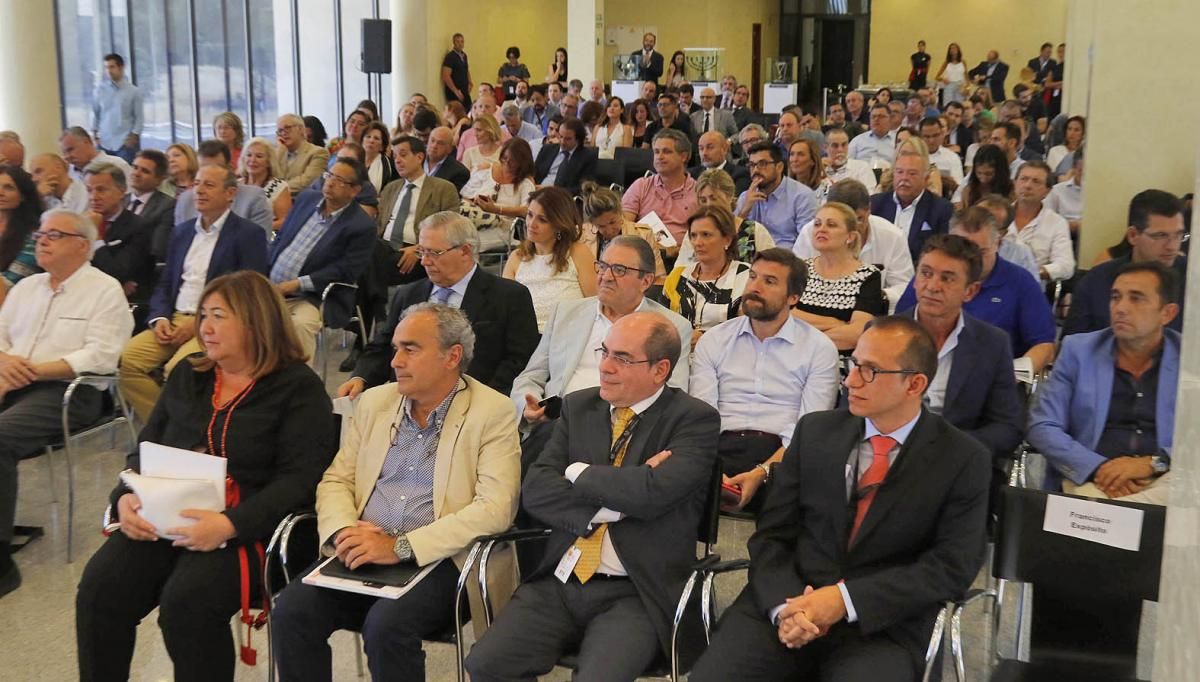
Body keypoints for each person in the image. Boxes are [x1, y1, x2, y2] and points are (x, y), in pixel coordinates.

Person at [688, 316, 990, 682]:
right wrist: (788, 606)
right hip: (788, 604)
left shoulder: (962, 458)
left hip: (880, 626)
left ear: (915, 384)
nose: (850, 381)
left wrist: (843, 601)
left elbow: (950, 567)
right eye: (853, 365)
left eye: (870, 371)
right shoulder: (816, 432)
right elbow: (772, 536)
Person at [77, 271, 336, 681]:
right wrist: (124, 497)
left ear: (256, 321)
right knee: (100, 589)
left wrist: (229, 525)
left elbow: (301, 480)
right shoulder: (190, 376)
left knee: (187, 605)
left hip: (251, 526)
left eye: (219, 316)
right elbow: (146, 449)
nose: (205, 328)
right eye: (203, 315)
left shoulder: (297, 389)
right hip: (170, 515)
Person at [465, 312, 720, 681]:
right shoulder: (579, 407)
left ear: (660, 370)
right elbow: (536, 489)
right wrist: (617, 501)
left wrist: (576, 472)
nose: (605, 367)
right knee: (486, 664)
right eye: (605, 352)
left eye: (622, 358)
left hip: (638, 592)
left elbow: (652, 494)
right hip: (561, 580)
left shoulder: (693, 420)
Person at [273, 302, 520, 681]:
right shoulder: (376, 402)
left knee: (387, 626)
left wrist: (400, 546)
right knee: (291, 611)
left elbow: (494, 509)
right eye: (395, 349)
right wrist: (344, 532)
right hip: (365, 546)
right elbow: (337, 480)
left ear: (452, 356)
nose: (395, 361)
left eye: (410, 349)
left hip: (441, 559)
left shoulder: (492, 412)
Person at [0, 209, 129, 597]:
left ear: (82, 245)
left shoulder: (104, 290)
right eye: (40, 233)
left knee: (0, 438)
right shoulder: (27, 287)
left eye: (54, 234)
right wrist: (6, 363)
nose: (41, 240)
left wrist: (35, 370)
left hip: (70, 391)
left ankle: (1, 559)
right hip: (12, 380)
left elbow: (102, 356)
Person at [510, 236, 692, 463]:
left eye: (619, 269)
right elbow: (531, 376)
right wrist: (530, 405)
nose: (606, 276)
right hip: (558, 424)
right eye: (603, 266)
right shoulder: (566, 313)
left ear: (646, 281)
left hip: (625, 431)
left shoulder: (670, 327)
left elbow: (672, 392)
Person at [690, 248, 838, 512]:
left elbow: (810, 428)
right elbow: (703, 417)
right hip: (719, 447)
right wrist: (712, 469)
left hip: (785, 453)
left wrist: (762, 473)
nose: (755, 287)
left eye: (769, 281)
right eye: (753, 277)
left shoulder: (819, 348)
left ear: (793, 297)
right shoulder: (714, 340)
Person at [119, 165, 269, 422]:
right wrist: (160, 318)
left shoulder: (247, 234)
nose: (199, 190)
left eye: (209, 185)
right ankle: (167, 427)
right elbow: (166, 283)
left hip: (218, 323)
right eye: (197, 183)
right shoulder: (183, 231)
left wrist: (199, 324)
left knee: (177, 370)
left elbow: (249, 294)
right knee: (126, 362)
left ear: (230, 193)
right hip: (174, 318)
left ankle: (179, 432)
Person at [339, 213, 538, 402]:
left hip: (476, 404)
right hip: (408, 403)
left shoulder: (509, 297)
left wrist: (481, 400)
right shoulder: (408, 294)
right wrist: (360, 378)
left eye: (434, 253)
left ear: (465, 251)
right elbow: (382, 347)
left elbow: (518, 361)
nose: (424, 261)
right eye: (422, 251)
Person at [1029, 261, 1179, 506]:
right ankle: (1133, 514)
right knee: (1099, 507)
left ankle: (1126, 513)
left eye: (1136, 298)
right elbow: (1043, 426)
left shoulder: (1189, 360)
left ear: (1167, 313)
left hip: (1163, 477)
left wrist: (1151, 464)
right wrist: (1099, 468)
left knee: (1180, 490)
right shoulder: (1078, 351)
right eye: (1115, 297)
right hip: (1091, 478)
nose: (1120, 308)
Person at [901, 234, 1023, 483]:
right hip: (890, 457)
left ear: (970, 291)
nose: (932, 286)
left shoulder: (992, 344)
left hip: (955, 465)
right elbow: (855, 409)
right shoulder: (883, 333)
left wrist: (952, 449)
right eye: (925, 273)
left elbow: (1007, 427)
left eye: (947, 278)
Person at [895, 206, 1056, 374]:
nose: (969, 259)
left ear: (998, 244)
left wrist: (1011, 377)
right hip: (924, 370)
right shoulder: (930, 278)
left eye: (979, 252)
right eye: (958, 250)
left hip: (993, 375)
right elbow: (900, 327)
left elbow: (1044, 344)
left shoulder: (1021, 282)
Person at [268, 158, 376, 361]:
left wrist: (295, 284)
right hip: (270, 287)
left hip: (313, 297)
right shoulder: (306, 200)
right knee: (240, 312)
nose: (330, 182)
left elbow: (346, 271)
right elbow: (281, 239)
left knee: (299, 326)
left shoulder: (361, 226)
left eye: (339, 180)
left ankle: (299, 387)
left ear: (354, 191)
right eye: (329, 175)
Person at [1066, 189, 1187, 336]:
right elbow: (1073, 344)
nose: (1172, 246)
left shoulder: (1193, 281)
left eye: (1178, 235)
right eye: (1160, 236)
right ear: (1133, 235)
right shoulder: (1096, 281)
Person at [795, 180, 914, 313]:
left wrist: (871, 297)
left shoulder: (892, 236)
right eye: (836, 223)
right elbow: (793, 284)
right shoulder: (812, 232)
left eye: (859, 219)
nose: (855, 228)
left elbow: (905, 286)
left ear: (869, 210)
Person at [793, 202, 887, 352]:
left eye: (831, 225)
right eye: (817, 224)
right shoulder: (800, 269)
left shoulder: (868, 275)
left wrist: (802, 339)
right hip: (794, 358)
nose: (821, 229)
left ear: (850, 237)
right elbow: (784, 316)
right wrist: (835, 323)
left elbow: (856, 334)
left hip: (841, 364)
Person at [503, 186, 597, 332]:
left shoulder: (578, 253)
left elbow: (596, 304)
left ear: (559, 224)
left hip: (569, 338)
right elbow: (505, 309)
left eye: (542, 219)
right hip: (524, 339)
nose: (531, 224)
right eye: (529, 215)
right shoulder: (516, 258)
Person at [375, 136, 461, 289]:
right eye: (394, 157)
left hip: (419, 248)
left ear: (419, 157)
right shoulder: (391, 188)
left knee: (372, 269)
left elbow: (451, 228)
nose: (398, 161)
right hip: (384, 247)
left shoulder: (443, 188)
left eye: (403, 154)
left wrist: (419, 248)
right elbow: (379, 224)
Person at [661, 205, 750, 348]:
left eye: (706, 235)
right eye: (693, 235)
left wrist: (706, 338)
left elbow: (747, 329)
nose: (698, 243)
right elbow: (662, 325)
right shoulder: (677, 276)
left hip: (725, 356)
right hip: (680, 356)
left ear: (727, 240)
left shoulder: (744, 275)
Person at [870, 139, 953, 262]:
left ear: (926, 178)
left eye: (912, 174)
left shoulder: (941, 209)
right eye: (899, 172)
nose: (904, 178)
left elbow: (942, 255)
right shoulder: (876, 204)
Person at [85, 162, 155, 303]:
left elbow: (116, 273)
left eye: (101, 190)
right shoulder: (79, 224)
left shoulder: (138, 227)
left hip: (127, 302)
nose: (93, 197)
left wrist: (97, 236)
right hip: (87, 297)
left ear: (122, 191)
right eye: (89, 190)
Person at [175, 140, 274, 235]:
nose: (208, 175)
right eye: (203, 169)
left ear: (229, 168)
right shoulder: (185, 201)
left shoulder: (253, 198)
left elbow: (259, 246)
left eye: (215, 169)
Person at [622, 129, 699, 247]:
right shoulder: (641, 185)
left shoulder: (698, 192)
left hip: (682, 257)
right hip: (643, 253)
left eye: (667, 152)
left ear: (683, 156)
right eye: (656, 152)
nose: (659, 157)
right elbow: (624, 226)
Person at [737, 142, 817, 251]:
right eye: (752, 165)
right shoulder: (745, 198)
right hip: (752, 260)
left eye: (762, 164)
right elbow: (731, 240)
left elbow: (807, 242)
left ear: (779, 167)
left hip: (788, 260)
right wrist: (744, 211)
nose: (755, 170)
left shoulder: (802, 196)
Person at [1008, 161, 1075, 283]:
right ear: (1014, 184)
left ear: (1047, 191)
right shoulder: (998, 216)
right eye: (1023, 179)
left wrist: (1034, 271)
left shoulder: (1057, 223)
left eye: (1036, 181)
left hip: (1032, 287)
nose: (1027, 185)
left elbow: (1066, 266)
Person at [579, 182, 665, 276]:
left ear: (620, 212)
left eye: (612, 222)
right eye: (601, 226)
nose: (609, 230)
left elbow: (657, 278)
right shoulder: (580, 236)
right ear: (592, 223)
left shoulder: (644, 235)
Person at [0, 166, 42, 307]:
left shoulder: (35, 236)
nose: (0, 193)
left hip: (13, 306)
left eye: (8, 188)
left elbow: (10, 284)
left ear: (23, 195)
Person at [91, 53, 143, 163]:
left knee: (126, 176)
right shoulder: (99, 90)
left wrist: (133, 137)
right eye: (106, 67)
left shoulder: (133, 91)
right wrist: (95, 135)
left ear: (121, 67)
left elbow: (139, 117)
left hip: (124, 143)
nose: (108, 71)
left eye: (112, 67)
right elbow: (95, 114)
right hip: (104, 143)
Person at [127, 149, 178, 262]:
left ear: (159, 179)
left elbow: (158, 249)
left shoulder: (167, 206)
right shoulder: (119, 201)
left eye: (145, 171)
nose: (136, 174)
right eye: (135, 167)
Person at [238, 137, 292, 232]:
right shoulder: (235, 185)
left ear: (268, 162)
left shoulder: (278, 186)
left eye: (259, 156)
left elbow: (286, 220)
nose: (252, 160)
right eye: (249, 155)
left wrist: (257, 227)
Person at [533, 118, 597, 196]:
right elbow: (533, 174)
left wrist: (553, 190)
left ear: (578, 139)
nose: (562, 142)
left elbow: (584, 188)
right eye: (560, 136)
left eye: (568, 139)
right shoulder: (547, 149)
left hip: (563, 198)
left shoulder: (587, 157)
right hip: (538, 192)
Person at [275, 114, 332, 195]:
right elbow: (269, 178)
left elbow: (306, 182)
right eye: (280, 131)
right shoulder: (279, 153)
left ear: (301, 129)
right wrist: (278, 154)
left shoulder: (318, 153)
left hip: (301, 202)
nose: (283, 133)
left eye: (287, 128)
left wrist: (275, 189)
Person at [60, 127, 132, 184]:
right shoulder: (67, 174)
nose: (67, 157)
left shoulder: (118, 165)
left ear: (87, 142)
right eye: (64, 153)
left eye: (70, 150)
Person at [955, 144, 1013, 208]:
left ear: (999, 172)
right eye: (979, 173)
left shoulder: (1011, 190)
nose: (983, 178)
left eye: (988, 174)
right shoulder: (968, 190)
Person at [824, 128, 879, 193]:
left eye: (844, 145)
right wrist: (817, 171)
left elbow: (868, 196)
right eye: (835, 146)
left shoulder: (862, 168)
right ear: (825, 147)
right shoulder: (819, 170)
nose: (840, 150)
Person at [1045, 145, 1084, 234]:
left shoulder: (1101, 194)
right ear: (1073, 168)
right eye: (1081, 170)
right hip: (1061, 235)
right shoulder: (1058, 190)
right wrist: (1069, 225)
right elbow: (1045, 219)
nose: (1085, 175)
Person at [423, 126, 470, 192]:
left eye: (440, 143)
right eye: (432, 140)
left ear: (450, 149)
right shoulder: (414, 160)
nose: (434, 146)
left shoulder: (459, 172)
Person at [920, 117, 965, 187]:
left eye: (935, 135)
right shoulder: (912, 156)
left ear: (942, 134)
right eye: (927, 136)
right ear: (920, 137)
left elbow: (959, 188)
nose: (931, 140)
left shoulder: (952, 157)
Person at [788, 138, 831, 203]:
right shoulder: (784, 189)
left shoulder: (827, 188)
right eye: (792, 154)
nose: (795, 159)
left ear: (813, 160)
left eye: (800, 154)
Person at [360, 121, 397, 193]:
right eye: (368, 137)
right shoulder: (352, 160)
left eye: (376, 138)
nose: (371, 140)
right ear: (362, 141)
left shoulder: (391, 165)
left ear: (382, 146)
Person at [441, 33, 472, 107]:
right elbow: (445, 76)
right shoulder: (450, 57)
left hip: (464, 90)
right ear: (454, 43)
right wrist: (456, 91)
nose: (460, 44)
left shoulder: (464, 55)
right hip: (454, 92)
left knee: (468, 110)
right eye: (458, 42)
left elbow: (466, 69)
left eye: (462, 41)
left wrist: (470, 82)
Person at [935, 43, 967, 107]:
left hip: (960, 86)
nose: (953, 50)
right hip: (949, 86)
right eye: (951, 48)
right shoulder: (947, 62)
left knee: (959, 106)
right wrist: (943, 79)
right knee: (948, 106)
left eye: (955, 48)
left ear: (958, 50)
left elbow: (967, 77)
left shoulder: (962, 62)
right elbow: (937, 77)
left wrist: (967, 88)